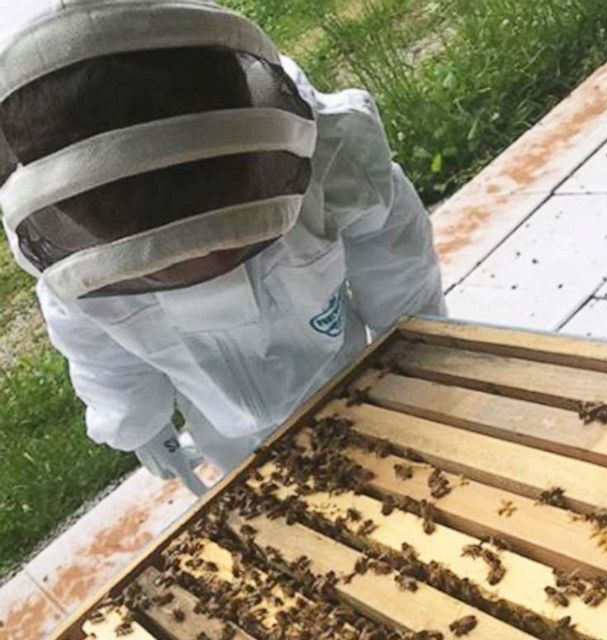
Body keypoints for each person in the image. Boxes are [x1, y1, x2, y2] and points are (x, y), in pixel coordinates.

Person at [0, 0, 445, 494]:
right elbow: (101, 352)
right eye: (160, 263)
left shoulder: (328, 151)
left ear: (256, 154)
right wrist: (137, 425)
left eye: (224, 238)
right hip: (225, 429)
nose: (202, 264)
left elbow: (395, 257)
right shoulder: (74, 273)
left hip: (352, 375)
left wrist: (417, 346)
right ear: (74, 225)